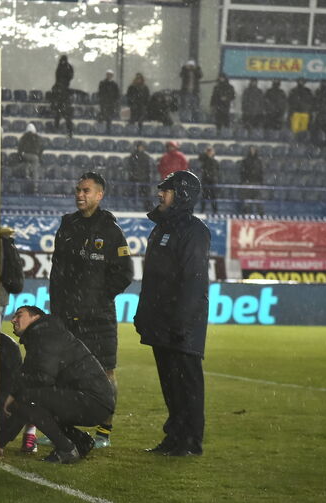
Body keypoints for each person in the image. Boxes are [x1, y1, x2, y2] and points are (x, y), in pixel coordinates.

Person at [46, 172, 134, 449]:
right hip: (66, 315)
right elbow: (57, 270)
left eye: (86, 190)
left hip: (99, 319)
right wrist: (58, 304)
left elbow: (125, 274)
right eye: (77, 190)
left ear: (99, 195)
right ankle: (63, 429)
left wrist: (97, 299)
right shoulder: (67, 225)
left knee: (105, 373)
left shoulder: (110, 230)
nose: (79, 195)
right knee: (62, 373)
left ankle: (103, 432)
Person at [134, 170, 211, 457]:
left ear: (182, 195)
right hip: (162, 323)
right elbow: (152, 279)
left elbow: (193, 280)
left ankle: (190, 442)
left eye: (166, 190)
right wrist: (144, 314)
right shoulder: (162, 228)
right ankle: (174, 437)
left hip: (182, 325)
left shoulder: (195, 231)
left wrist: (182, 322)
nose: (160, 194)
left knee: (187, 384)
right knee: (171, 385)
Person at [0, 306, 116, 464]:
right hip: (94, 400)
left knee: (26, 399)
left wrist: (13, 395)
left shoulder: (45, 335)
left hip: (92, 401)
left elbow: (43, 377)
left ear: (35, 317)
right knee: (34, 399)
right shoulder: (42, 334)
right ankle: (80, 441)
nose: (13, 320)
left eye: (19, 315)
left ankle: (66, 449)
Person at [126, 141, 155, 211]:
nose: (140, 148)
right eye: (139, 146)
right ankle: (132, 208)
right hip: (134, 178)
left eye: (142, 147)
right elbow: (130, 168)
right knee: (133, 193)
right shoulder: (132, 156)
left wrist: (147, 177)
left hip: (144, 179)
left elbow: (149, 169)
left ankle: (148, 207)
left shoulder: (146, 157)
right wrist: (133, 176)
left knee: (146, 193)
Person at [17, 123, 43, 192]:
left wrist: (20, 156)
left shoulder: (24, 136)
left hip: (25, 154)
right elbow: (41, 148)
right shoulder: (37, 137)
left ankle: (27, 173)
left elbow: (19, 148)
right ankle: (35, 184)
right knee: (35, 168)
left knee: (28, 163)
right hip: (33, 156)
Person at [239, 146, 264, 215]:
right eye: (251, 150)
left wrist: (260, 182)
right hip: (247, 183)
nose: (252, 151)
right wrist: (244, 181)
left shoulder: (259, 161)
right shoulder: (245, 161)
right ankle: (246, 214)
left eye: (254, 150)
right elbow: (242, 172)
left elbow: (261, 172)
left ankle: (261, 214)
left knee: (258, 200)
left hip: (256, 183)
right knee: (247, 201)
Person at [311, 79, 326, 145]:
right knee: (316, 130)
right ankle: (317, 144)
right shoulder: (318, 92)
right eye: (323, 83)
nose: (324, 84)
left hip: (325, 115)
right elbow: (314, 102)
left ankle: (325, 144)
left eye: (325, 83)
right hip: (320, 114)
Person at [197, 147, 219, 213]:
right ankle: (202, 210)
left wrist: (215, 178)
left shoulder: (215, 160)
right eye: (208, 151)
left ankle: (215, 211)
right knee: (204, 195)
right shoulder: (204, 159)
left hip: (213, 180)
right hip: (205, 180)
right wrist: (205, 153)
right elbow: (200, 158)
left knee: (214, 196)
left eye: (211, 151)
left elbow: (217, 170)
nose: (209, 152)